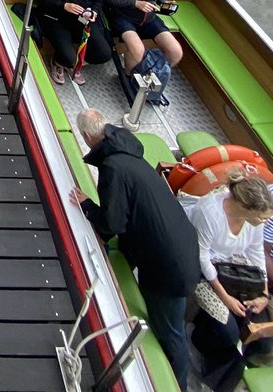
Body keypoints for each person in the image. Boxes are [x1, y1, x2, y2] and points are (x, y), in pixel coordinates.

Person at [74, 109, 200, 392]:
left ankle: (177, 384)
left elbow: (112, 223)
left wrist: (86, 204)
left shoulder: (113, 168)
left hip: (168, 268)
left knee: (170, 332)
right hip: (176, 248)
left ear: (86, 136)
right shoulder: (127, 151)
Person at [184, 174, 273, 391]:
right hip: (205, 272)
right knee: (228, 333)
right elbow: (202, 258)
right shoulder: (210, 213)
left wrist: (262, 293)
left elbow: (256, 254)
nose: (265, 221)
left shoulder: (253, 221)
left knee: (263, 340)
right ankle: (198, 340)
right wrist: (226, 298)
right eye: (262, 217)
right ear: (245, 207)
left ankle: (226, 370)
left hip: (235, 269)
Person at [35, 0, 112, 86]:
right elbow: (43, 2)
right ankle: (59, 62)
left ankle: (75, 61)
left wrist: (93, 12)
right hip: (56, 20)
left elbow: (98, 1)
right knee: (68, 57)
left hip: (81, 21)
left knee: (104, 54)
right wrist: (63, 6)